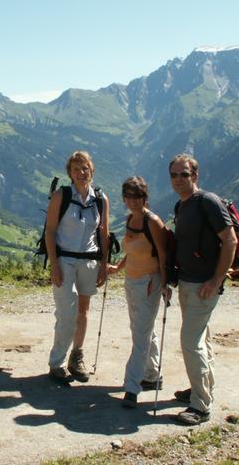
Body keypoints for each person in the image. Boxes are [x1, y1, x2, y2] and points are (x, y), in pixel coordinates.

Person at [169, 154, 237, 425]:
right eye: (173, 175)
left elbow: (229, 240)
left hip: (203, 286)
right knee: (201, 339)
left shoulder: (208, 202)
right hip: (187, 281)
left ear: (195, 176)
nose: (178, 179)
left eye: (184, 174)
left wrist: (216, 280)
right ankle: (201, 389)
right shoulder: (181, 205)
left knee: (190, 341)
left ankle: (200, 406)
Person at [45, 151, 110, 384]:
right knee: (67, 311)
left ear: (91, 170)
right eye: (76, 169)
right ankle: (57, 362)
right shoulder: (61, 196)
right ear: (69, 174)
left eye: (85, 168)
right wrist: (54, 265)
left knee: (83, 312)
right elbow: (50, 231)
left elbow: (103, 233)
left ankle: (76, 357)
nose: (81, 173)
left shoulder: (100, 199)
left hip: (89, 261)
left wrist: (104, 265)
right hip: (64, 260)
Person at [107, 177, 170, 408]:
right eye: (129, 196)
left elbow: (163, 254)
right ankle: (153, 376)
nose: (133, 201)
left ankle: (132, 387)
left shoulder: (152, 221)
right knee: (142, 329)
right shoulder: (130, 219)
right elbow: (132, 251)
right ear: (124, 198)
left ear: (145, 197)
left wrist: (164, 283)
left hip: (148, 283)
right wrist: (118, 267)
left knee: (140, 336)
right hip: (131, 281)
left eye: (138, 196)